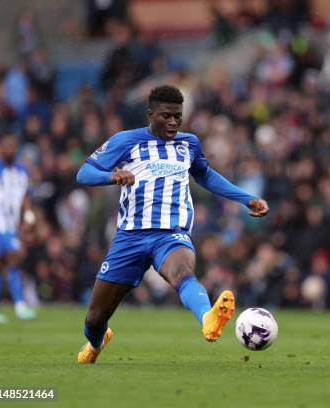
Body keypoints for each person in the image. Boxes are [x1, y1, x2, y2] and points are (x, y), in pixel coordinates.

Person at [76, 85, 269, 364]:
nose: (173, 122)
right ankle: (96, 342)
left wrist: (246, 198)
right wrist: (113, 176)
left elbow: (205, 175)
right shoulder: (125, 141)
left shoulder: (188, 143)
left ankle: (207, 318)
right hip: (130, 236)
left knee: (182, 272)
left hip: (171, 234)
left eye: (178, 116)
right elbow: (84, 172)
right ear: (150, 114)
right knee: (95, 317)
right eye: (166, 116)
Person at [0, 133, 37, 323]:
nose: (9, 150)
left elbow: (26, 197)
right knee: (16, 253)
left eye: (12, 147)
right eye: (6, 146)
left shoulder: (22, 171)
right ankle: (20, 304)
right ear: (1, 148)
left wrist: (29, 217)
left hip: (13, 226)